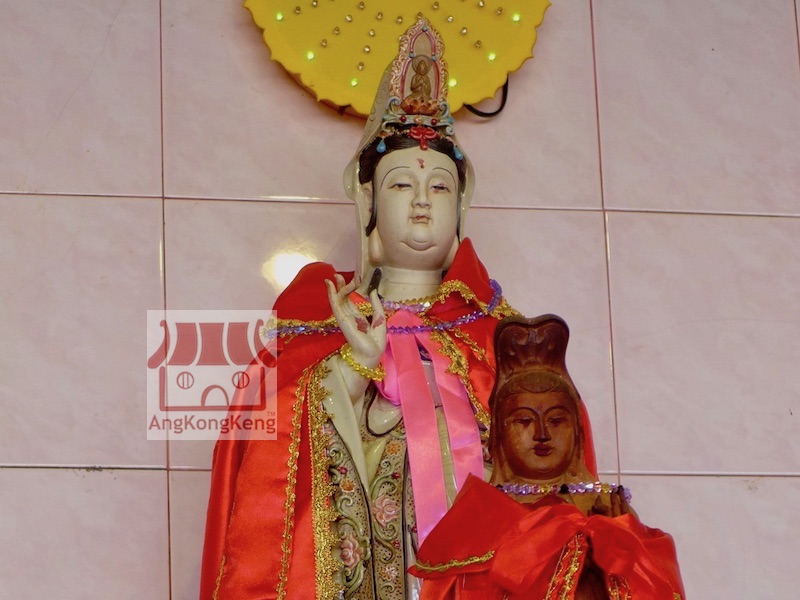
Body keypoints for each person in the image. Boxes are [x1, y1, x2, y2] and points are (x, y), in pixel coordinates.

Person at [200, 19, 519, 599]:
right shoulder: (317, 322)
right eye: (401, 185)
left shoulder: (499, 336)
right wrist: (354, 366)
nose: (422, 204)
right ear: (367, 199)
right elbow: (266, 456)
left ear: (462, 205)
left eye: (440, 187)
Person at [409, 315, 686, 599]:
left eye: (556, 421)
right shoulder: (478, 513)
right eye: (524, 421)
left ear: (577, 433)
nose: (542, 434)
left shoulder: (604, 505)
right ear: (499, 438)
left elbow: (656, 584)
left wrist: (625, 541)